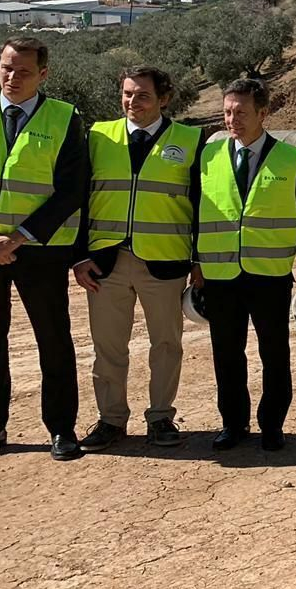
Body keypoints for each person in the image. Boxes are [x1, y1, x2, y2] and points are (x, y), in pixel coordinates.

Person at [0, 36, 89, 464]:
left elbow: (72, 190)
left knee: (53, 340)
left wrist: (18, 238)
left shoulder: (65, 118)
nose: (13, 77)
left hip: (40, 250)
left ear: (43, 74)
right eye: (7, 67)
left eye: (24, 71)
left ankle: (62, 429)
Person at [74, 65, 203, 451]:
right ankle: (111, 420)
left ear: (164, 99)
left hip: (164, 262)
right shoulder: (97, 136)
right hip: (105, 263)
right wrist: (78, 257)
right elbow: (78, 200)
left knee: (167, 344)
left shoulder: (192, 140)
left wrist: (200, 260)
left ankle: (161, 417)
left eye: (143, 95)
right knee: (108, 346)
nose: (133, 101)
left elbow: (203, 205)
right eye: (127, 93)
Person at [196, 77, 296, 452]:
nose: (233, 119)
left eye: (241, 113)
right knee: (227, 354)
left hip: (269, 275)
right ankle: (233, 423)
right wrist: (195, 264)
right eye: (228, 112)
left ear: (263, 113)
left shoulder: (291, 159)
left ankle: (273, 424)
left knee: (274, 353)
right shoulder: (208, 157)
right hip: (220, 276)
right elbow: (194, 213)